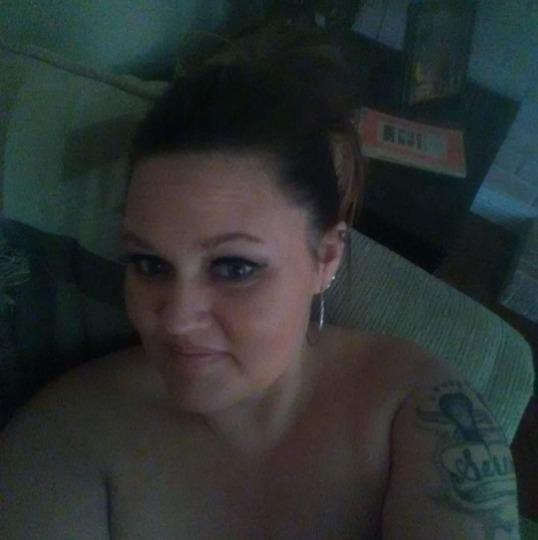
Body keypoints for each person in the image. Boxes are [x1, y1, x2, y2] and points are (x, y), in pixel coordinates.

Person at [1, 26, 521, 539]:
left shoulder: (423, 415)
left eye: (235, 268)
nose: (176, 320)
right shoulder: (68, 440)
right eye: (149, 264)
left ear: (326, 258)